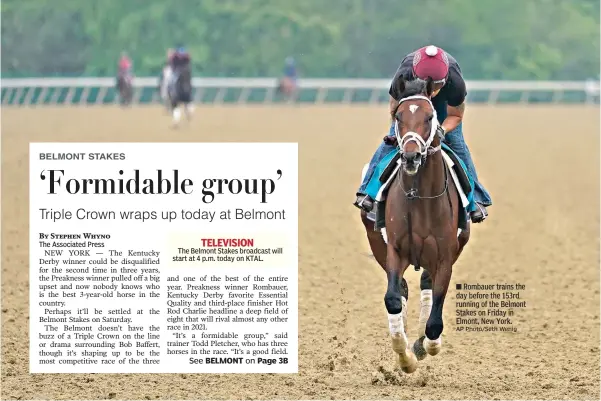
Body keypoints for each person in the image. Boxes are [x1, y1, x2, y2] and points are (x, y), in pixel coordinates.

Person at [353, 45, 492, 223]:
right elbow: (395, 110)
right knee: (391, 143)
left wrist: (441, 130)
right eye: (430, 86)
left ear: (446, 79)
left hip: (444, 110)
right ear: (416, 77)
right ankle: (367, 192)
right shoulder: (404, 74)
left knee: (457, 146)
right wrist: (404, 133)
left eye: (438, 85)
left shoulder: (455, 81)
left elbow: (455, 115)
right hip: (412, 104)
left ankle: (476, 201)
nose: (433, 91)